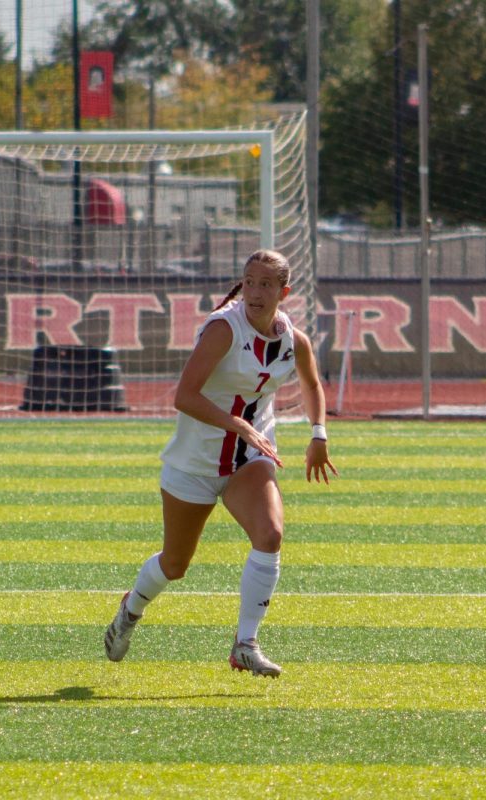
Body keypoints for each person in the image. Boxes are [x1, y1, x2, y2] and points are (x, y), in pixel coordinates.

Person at [104, 249, 337, 678]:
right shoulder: (223, 330)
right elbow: (184, 396)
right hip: (195, 462)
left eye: (266, 284)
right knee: (175, 565)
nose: (255, 291)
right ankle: (130, 609)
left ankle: (245, 643)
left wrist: (318, 434)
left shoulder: (292, 339)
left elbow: (312, 383)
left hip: (249, 460)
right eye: (250, 281)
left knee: (270, 534)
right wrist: (240, 426)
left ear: (284, 292)